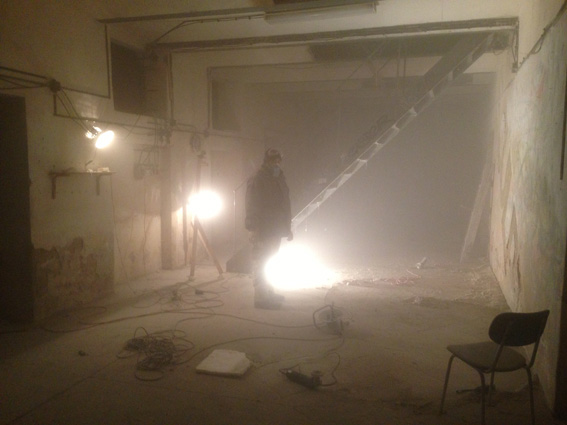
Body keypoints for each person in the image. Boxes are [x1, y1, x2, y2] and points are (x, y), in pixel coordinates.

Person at [245, 148, 293, 309]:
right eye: (273, 161)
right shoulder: (258, 178)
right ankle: (260, 298)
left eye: (278, 161)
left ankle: (268, 292)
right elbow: (252, 204)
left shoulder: (279, 177)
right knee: (261, 261)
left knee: (270, 261)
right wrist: (254, 227)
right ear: (266, 161)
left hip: (275, 228)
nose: (276, 164)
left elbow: (284, 203)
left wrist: (287, 227)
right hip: (263, 228)